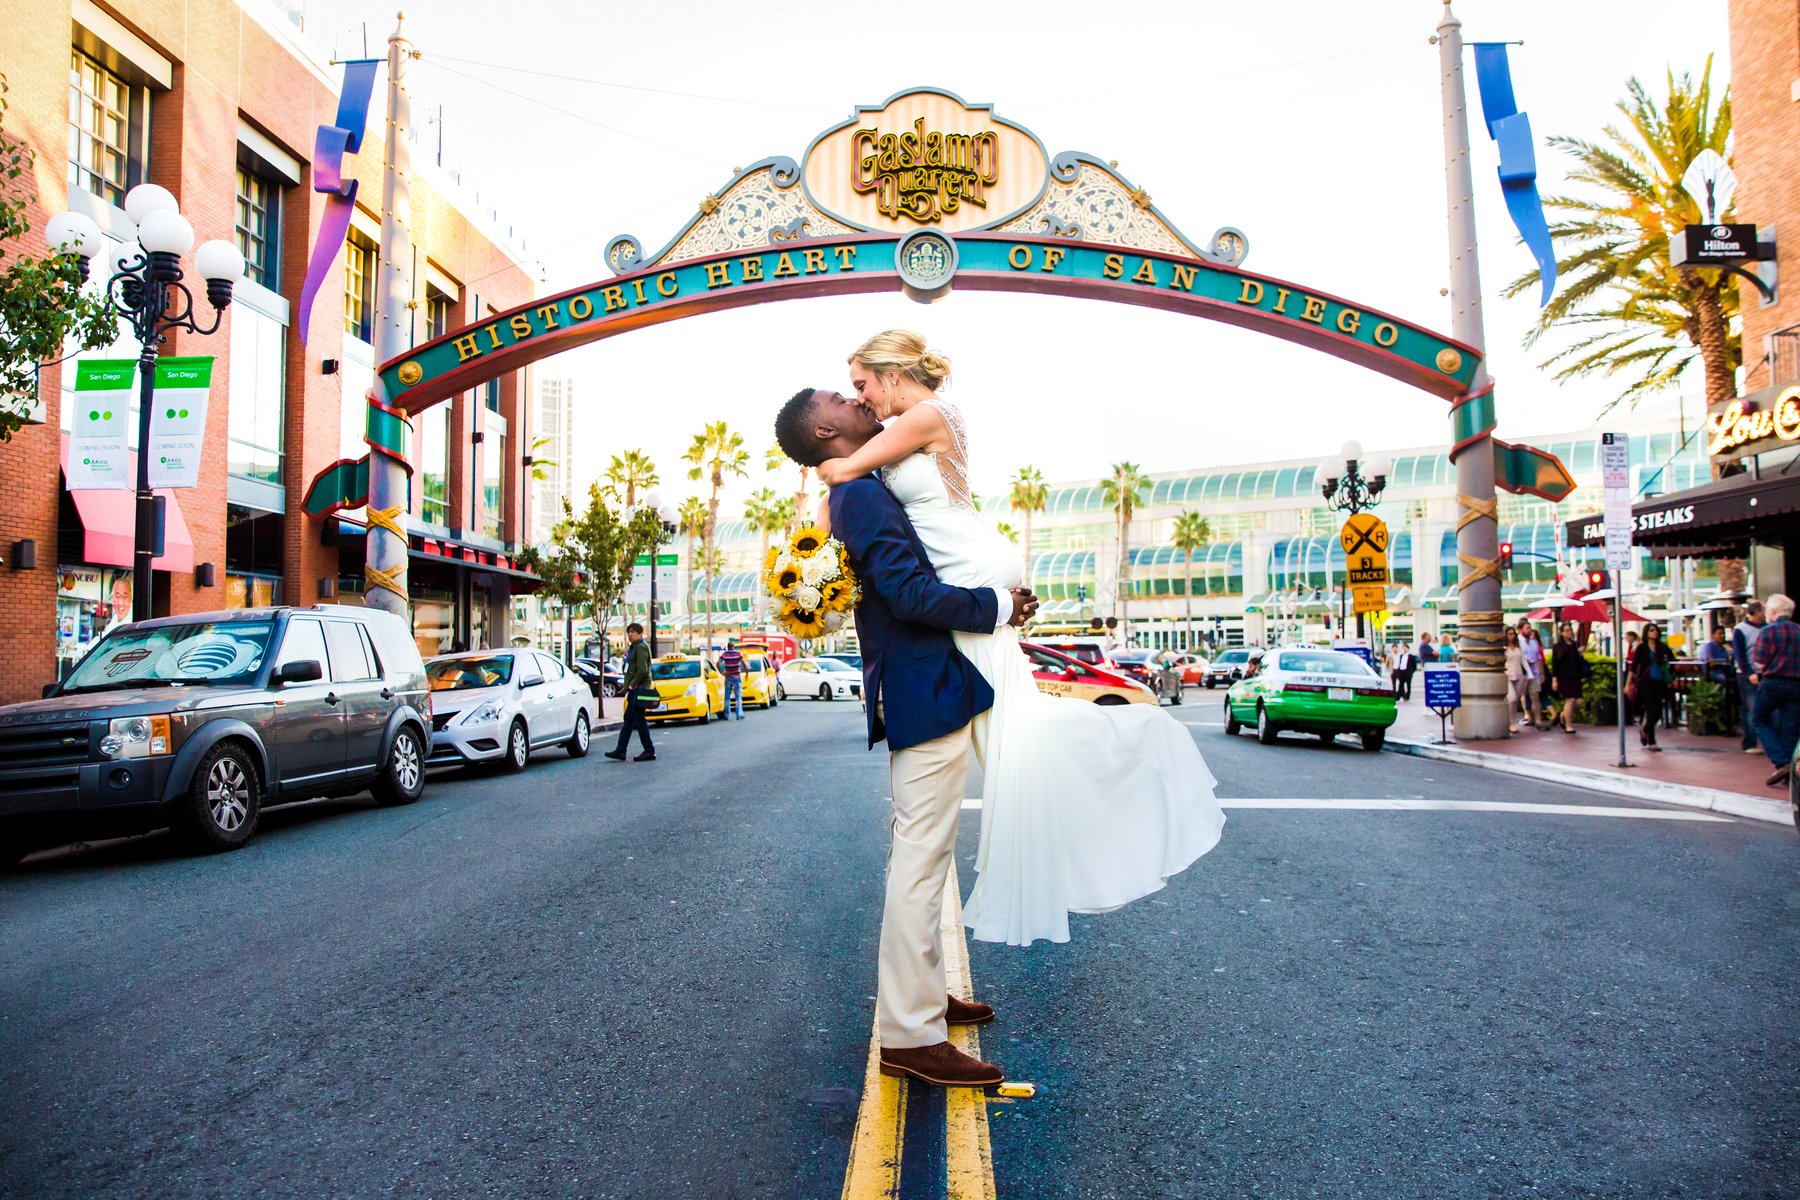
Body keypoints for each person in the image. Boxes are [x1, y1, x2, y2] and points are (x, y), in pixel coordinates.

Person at [794, 331, 1226, 944]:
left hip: (970, 581)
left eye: (861, 384)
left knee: (1012, 747)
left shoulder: (923, 416)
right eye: (848, 393)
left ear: (891, 374)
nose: (859, 397)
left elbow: (842, 469)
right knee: (1023, 734)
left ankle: (1127, 772)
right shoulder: (888, 443)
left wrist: (827, 478)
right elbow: (849, 508)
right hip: (969, 589)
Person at [1748, 592, 1800, 787]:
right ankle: (1790, 771)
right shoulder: (1798, 631)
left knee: (1759, 719)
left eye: (1768, 609)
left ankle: (1780, 761)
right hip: (1796, 684)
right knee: (1790, 727)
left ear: (1775, 611)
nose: (1766, 613)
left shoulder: (1768, 632)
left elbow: (1760, 663)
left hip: (1773, 683)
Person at [604, 622, 656, 762]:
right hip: (635, 688)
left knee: (638, 719)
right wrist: (626, 686)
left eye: (633, 632)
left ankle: (649, 750)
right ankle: (621, 750)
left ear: (640, 633)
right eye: (629, 632)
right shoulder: (634, 648)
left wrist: (632, 685)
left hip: (639, 689)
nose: (630, 634)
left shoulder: (641, 647)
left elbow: (643, 670)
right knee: (629, 720)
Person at [1629, 623, 1677, 751]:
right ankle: (1652, 741)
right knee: (1650, 710)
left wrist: (1670, 675)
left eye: (1656, 630)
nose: (1654, 632)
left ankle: (1645, 730)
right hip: (1646, 683)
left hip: (1659, 682)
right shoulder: (1642, 648)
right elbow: (1634, 666)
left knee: (1658, 712)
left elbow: (1672, 660)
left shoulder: (1662, 647)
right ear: (1646, 633)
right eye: (1651, 630)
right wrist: (1628, 684)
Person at [1732, 600, 1767, 754]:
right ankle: (1750, 742)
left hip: (1764, 672)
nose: (1763, 617)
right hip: (1746, 674)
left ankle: (1767, 741)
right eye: (1761, 614)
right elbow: (1739, 655)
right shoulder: (1740, 630)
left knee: (1768, 708)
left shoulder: (1766, 627)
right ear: (1754, 613)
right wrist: (1749, 672)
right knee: (1750, 707)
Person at [1548, 621, 1590, 734]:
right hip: (1564, 676)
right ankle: (1568, 725)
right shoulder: (1558, 647)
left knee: (1578, 701)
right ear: (1561, 633)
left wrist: (1580, 653)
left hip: (1575, 676)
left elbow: (1577, 660)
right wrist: (1554, 680)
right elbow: (1555, 664)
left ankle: (1563, 715)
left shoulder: (1575, 645)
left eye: (1570, 630)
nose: (1568, 632)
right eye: (1566, 631)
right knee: (1570, 700)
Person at [1517, 621, 1547, 730]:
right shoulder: (1517, 642)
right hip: (1522, 673)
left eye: (1530, 628)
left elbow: (1538, 658)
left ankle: (1538, 720)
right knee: (1519, 696)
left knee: (1535, 695)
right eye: (1527, 628)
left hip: (1533, 673)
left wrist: (1541, 673)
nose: (1529, 630)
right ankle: (1527, 716)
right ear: (1520, 630)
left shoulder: (1534, 642)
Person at [717, 638, 746, 720]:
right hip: (736, 677)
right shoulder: (738, 653)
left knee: (727, 697)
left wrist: (721, 673)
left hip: (728, 678)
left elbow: (718, 663)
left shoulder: (725, 654)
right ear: (733, 646)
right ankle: (739, 714)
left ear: (728, 647)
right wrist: (746, 672)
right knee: (738, 697)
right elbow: (744, 663)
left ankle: (727, 715)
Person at [1504, 627, 1525, 734]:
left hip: (1518, 674)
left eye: (1513, 634)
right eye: (1510, 634)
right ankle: (1509, 722)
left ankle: (1513, 722)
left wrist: (1529, 674)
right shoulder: (1504, 648)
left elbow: (1523, 661)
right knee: (1511, 698)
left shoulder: (1518, 647)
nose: (1512, 636)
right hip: (1508, 675)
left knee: (1516, 700)